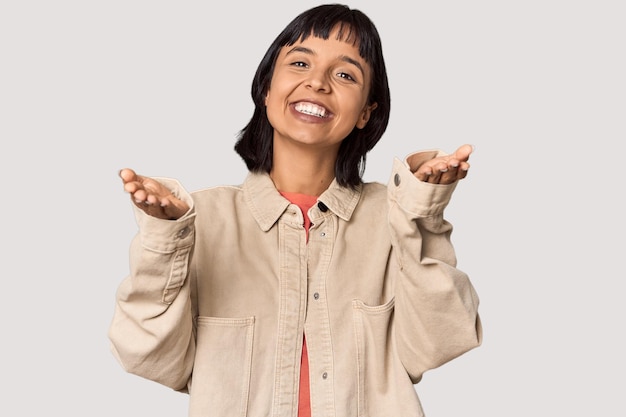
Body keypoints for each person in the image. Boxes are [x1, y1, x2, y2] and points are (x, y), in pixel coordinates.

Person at [108, 4, 482, 417]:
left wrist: (421, 214)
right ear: (267, 87)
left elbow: (435, 345)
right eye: (300, 62)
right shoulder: (201, 220)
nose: (317, 82)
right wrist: (166, 241)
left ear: (366, 113)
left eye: (345, 74)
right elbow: (150, 357)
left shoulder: (392, 217)